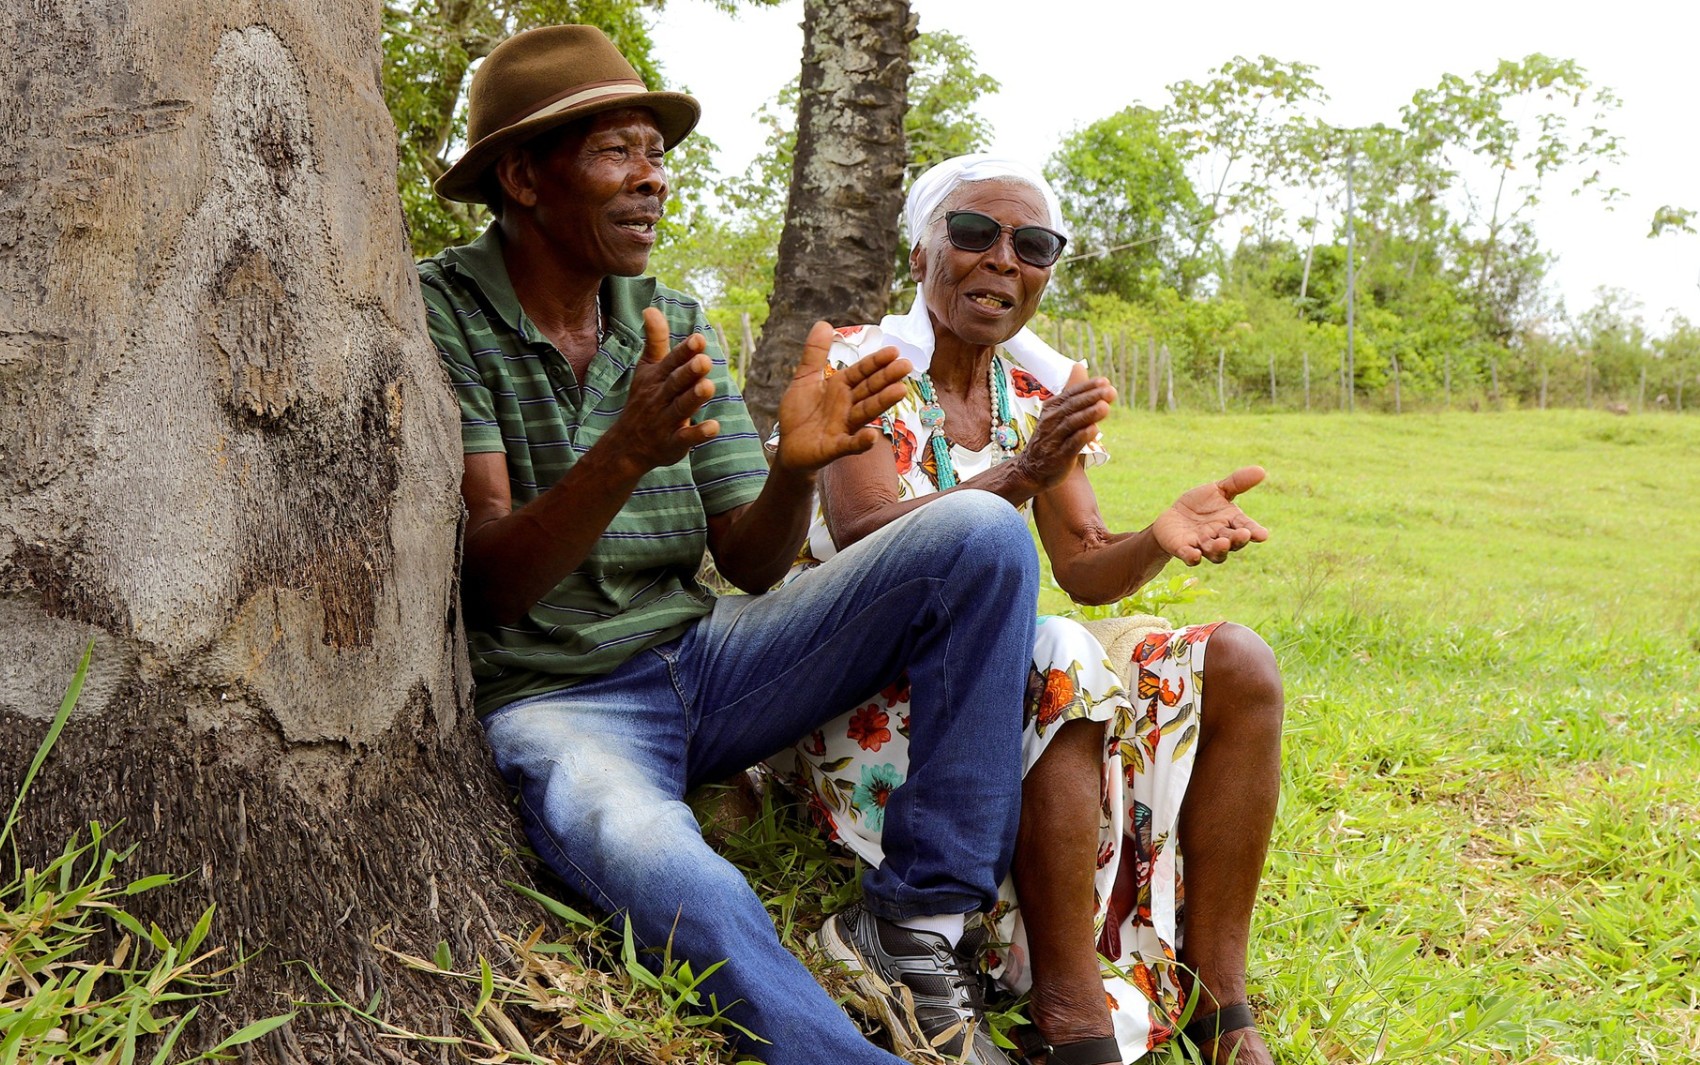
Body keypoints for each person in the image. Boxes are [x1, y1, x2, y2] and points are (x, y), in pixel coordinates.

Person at [417, 27, 1039, 1065]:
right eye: (617, 153)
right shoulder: (445, 314)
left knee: (976, 530)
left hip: (707, 662)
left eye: (656, 157)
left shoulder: (665, 313)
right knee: (675, 867)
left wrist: (797, 464)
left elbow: (749, 563)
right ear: (523, 177)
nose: (652, 182)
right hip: (559, 704)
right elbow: (493, 589)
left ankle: (914, 917)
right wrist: (620, 454)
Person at [774, 156, 1285, 1065]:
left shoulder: (1034, 393)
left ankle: (1220, 1001)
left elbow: (1085, 566)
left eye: (1032, 245)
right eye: (974, 234)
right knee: (1056, 648)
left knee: (1237, 660)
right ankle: (1074, 1019)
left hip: (1000, 672)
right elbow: (859, 527)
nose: (1002, 260)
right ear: (925, 247)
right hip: (871, 689)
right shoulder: (864, 363)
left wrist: (1160, 533)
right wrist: (1022, 471)